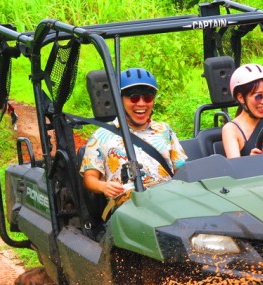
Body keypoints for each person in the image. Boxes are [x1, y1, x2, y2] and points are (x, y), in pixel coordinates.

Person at [80, 68, 187, 198]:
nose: (141, 104)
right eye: (134, 98)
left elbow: (182, 169)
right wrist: (103, 186)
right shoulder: (101, 136)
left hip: (167, 201)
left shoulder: (164, 130)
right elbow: (90, 177)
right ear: (120, 100)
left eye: (147, 98)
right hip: (128, 208)